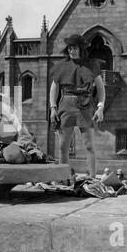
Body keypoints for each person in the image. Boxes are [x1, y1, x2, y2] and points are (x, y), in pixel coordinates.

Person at [49, 34, 105, 178]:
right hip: (66, 105)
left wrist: (100, 107)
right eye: (69, 48)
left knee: (89, 145)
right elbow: (54, 88)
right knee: (63, 147)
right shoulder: (61, 66)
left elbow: (100, 88)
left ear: (81, 49)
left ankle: (92, 178)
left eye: (74, 48)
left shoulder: (92, 65)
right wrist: (53, 108)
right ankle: (64, 178)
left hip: (85, 106)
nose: (71, 51)